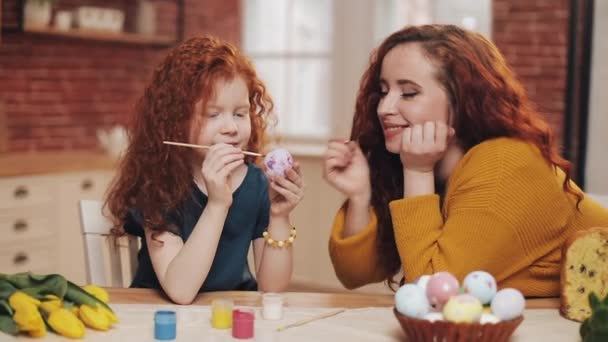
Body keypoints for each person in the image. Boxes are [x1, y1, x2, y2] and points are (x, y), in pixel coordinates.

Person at [323, 24, 608, 297]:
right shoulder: (423, 163)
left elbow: (433, 291)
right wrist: (361, 196)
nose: (384, 108)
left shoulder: (505, 163)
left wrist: (418, 171)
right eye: (383, 91)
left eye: (409, 93)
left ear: (463, 100)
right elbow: (354, 275)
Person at [105, 36, 304, 304]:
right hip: (159, 314)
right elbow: (180, 291)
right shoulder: (158, 185)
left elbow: (272, 289)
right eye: (213, 115)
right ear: (176, 121)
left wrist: (279, 217)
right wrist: (217, 204)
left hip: (224, 312)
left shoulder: (256, 183)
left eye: (240, 113)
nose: (231, 128)